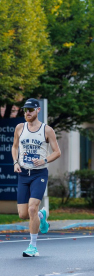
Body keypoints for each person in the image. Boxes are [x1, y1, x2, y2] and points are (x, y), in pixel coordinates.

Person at [11, 98, 61, 257]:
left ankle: (33, 246)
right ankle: (41, 216)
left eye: (31, 110)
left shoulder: (47, 130)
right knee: (23, 214)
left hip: (39, 173)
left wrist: (44, 160)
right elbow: (14, 147)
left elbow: (57, 152)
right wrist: (15, 162)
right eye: (26, 110)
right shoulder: (20, 127)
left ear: (38, 110)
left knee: (32, 207)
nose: (27, 113)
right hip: (23, 174)